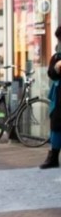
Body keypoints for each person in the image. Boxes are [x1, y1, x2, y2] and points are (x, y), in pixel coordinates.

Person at [41, 25, 61, 169]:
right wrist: (56, 68)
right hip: (59, 96)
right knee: (56, 124)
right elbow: (51, 74)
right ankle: (53, 157)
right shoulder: (57, 56)